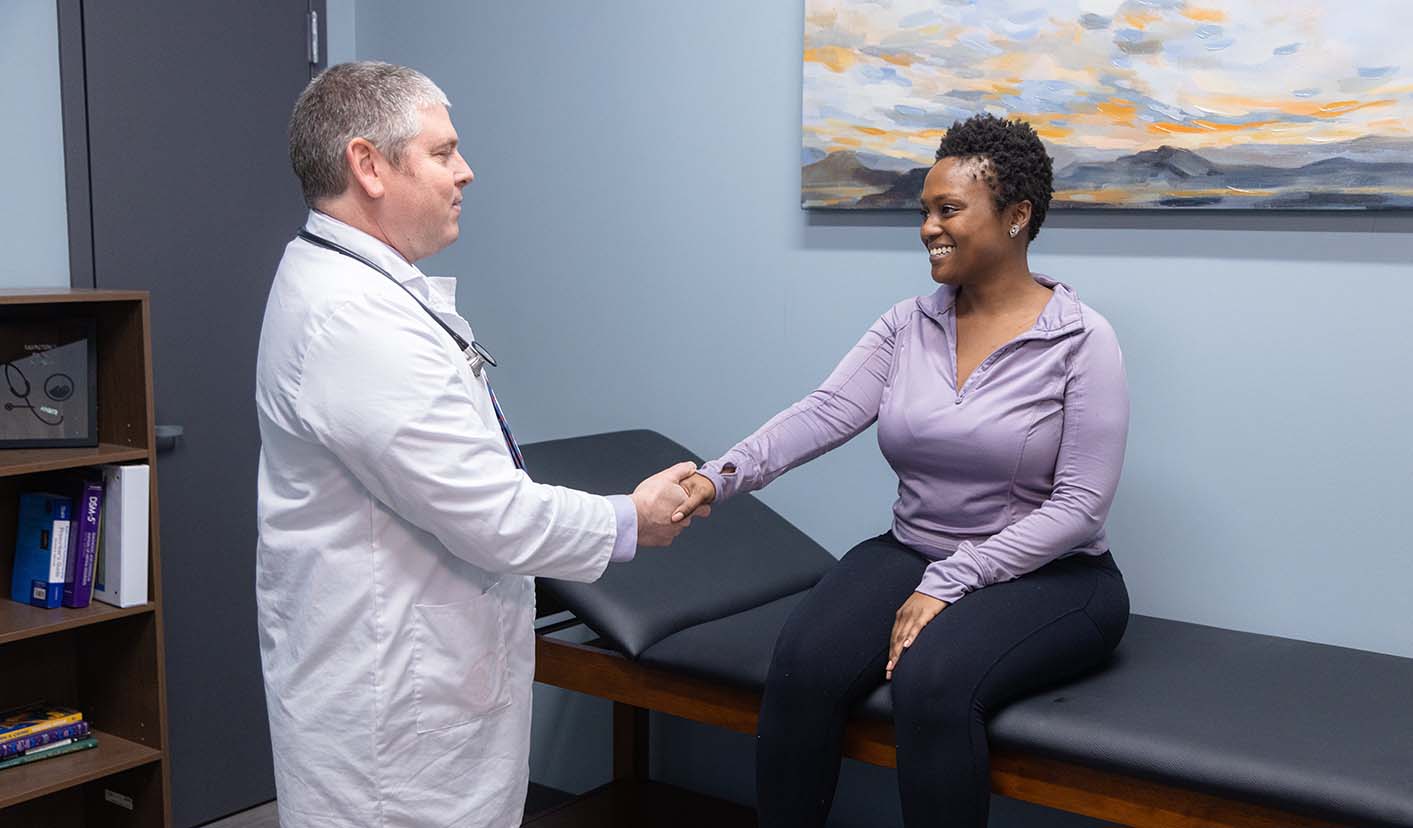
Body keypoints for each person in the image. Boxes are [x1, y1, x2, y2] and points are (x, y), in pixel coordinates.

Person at [255, 62, 701, 828]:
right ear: (367, 165)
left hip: (416, 673)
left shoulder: (361, 287)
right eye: (442, 152)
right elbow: (493, 516)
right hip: (391, 713)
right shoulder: (354, 320)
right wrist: (632, 519)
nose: (466, 171)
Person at [671, 114, 1130, 827]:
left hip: (1053, 576)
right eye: (924, 211)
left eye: (948, 210)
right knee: (801, 663)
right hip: (916, 548)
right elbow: (821, 413)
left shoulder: (1079, 340)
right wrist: (715, 476)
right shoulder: (905, 325)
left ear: (1016, 216)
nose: (927, 228)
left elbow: (1078, 509)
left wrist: (951, 580)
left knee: (932, 681)